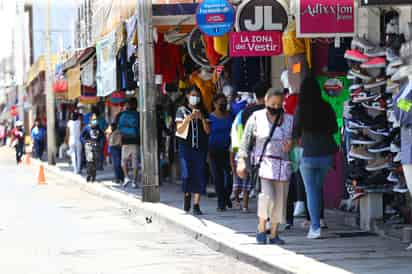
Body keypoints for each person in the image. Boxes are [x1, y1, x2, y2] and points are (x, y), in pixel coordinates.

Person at [237, 88, 293, 245]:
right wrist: (241, 160)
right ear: (266, 102)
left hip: (283, 164)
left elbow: (294, 140)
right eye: (272, 103)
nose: (275, 106)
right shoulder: (256, 118)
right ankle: (262, 227)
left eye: (278, 104)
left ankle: (274, 233)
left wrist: (291, 144)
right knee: (267, 197)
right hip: (264, 164)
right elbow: (245, 142)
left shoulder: (289, 120)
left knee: (280, 201)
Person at [293, 76, 338, 239]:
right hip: (326, 154)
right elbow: (334, 128)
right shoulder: (326, 107)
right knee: (317, 189)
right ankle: (319, 220)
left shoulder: (301, 109)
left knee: (311, 191)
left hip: (308, 154)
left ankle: (315, 227)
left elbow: (295, 131)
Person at [175, 87, 210, 215]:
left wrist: (201, 119)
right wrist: (188, 119)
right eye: (193, 95)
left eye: (197, 95)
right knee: (186, 174)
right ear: (187, 96)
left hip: (200, 148)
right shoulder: (181, 110)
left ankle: (196, 204)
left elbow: (207, 131)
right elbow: (179, 130)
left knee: (199, 174)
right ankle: (187, 194)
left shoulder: (204, 111)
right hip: (186, 147)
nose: (195, 98)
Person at [209, 93, 233, 211]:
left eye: (225, 102)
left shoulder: (230, 116)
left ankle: (226, 196)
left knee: (230, 177)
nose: (223, 105)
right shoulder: (210, 117)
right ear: (214, 104)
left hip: (229, 151)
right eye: (220, 103)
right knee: (218, 177)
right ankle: (221, 202)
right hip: (213, 151)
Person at [116, 97, 140, 188]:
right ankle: (134, 181)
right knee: (135, 162)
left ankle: (126, 177)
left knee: (124, 161)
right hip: (135, 141)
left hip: (125, 141)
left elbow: (118, 127)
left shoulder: (122, 115)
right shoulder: (138, 115)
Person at [81, 118, 104, 182]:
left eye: (95, 127)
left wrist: (100, 144)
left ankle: (93, 175)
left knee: (95, 161)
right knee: (89, 161)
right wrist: (85, 142)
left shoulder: (99, 129)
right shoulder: (86, 128)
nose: (94, 129)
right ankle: (89, 174)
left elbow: (102, 137)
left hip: (96, 146)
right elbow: (81, 136)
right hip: (88, 145)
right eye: (93, 127)